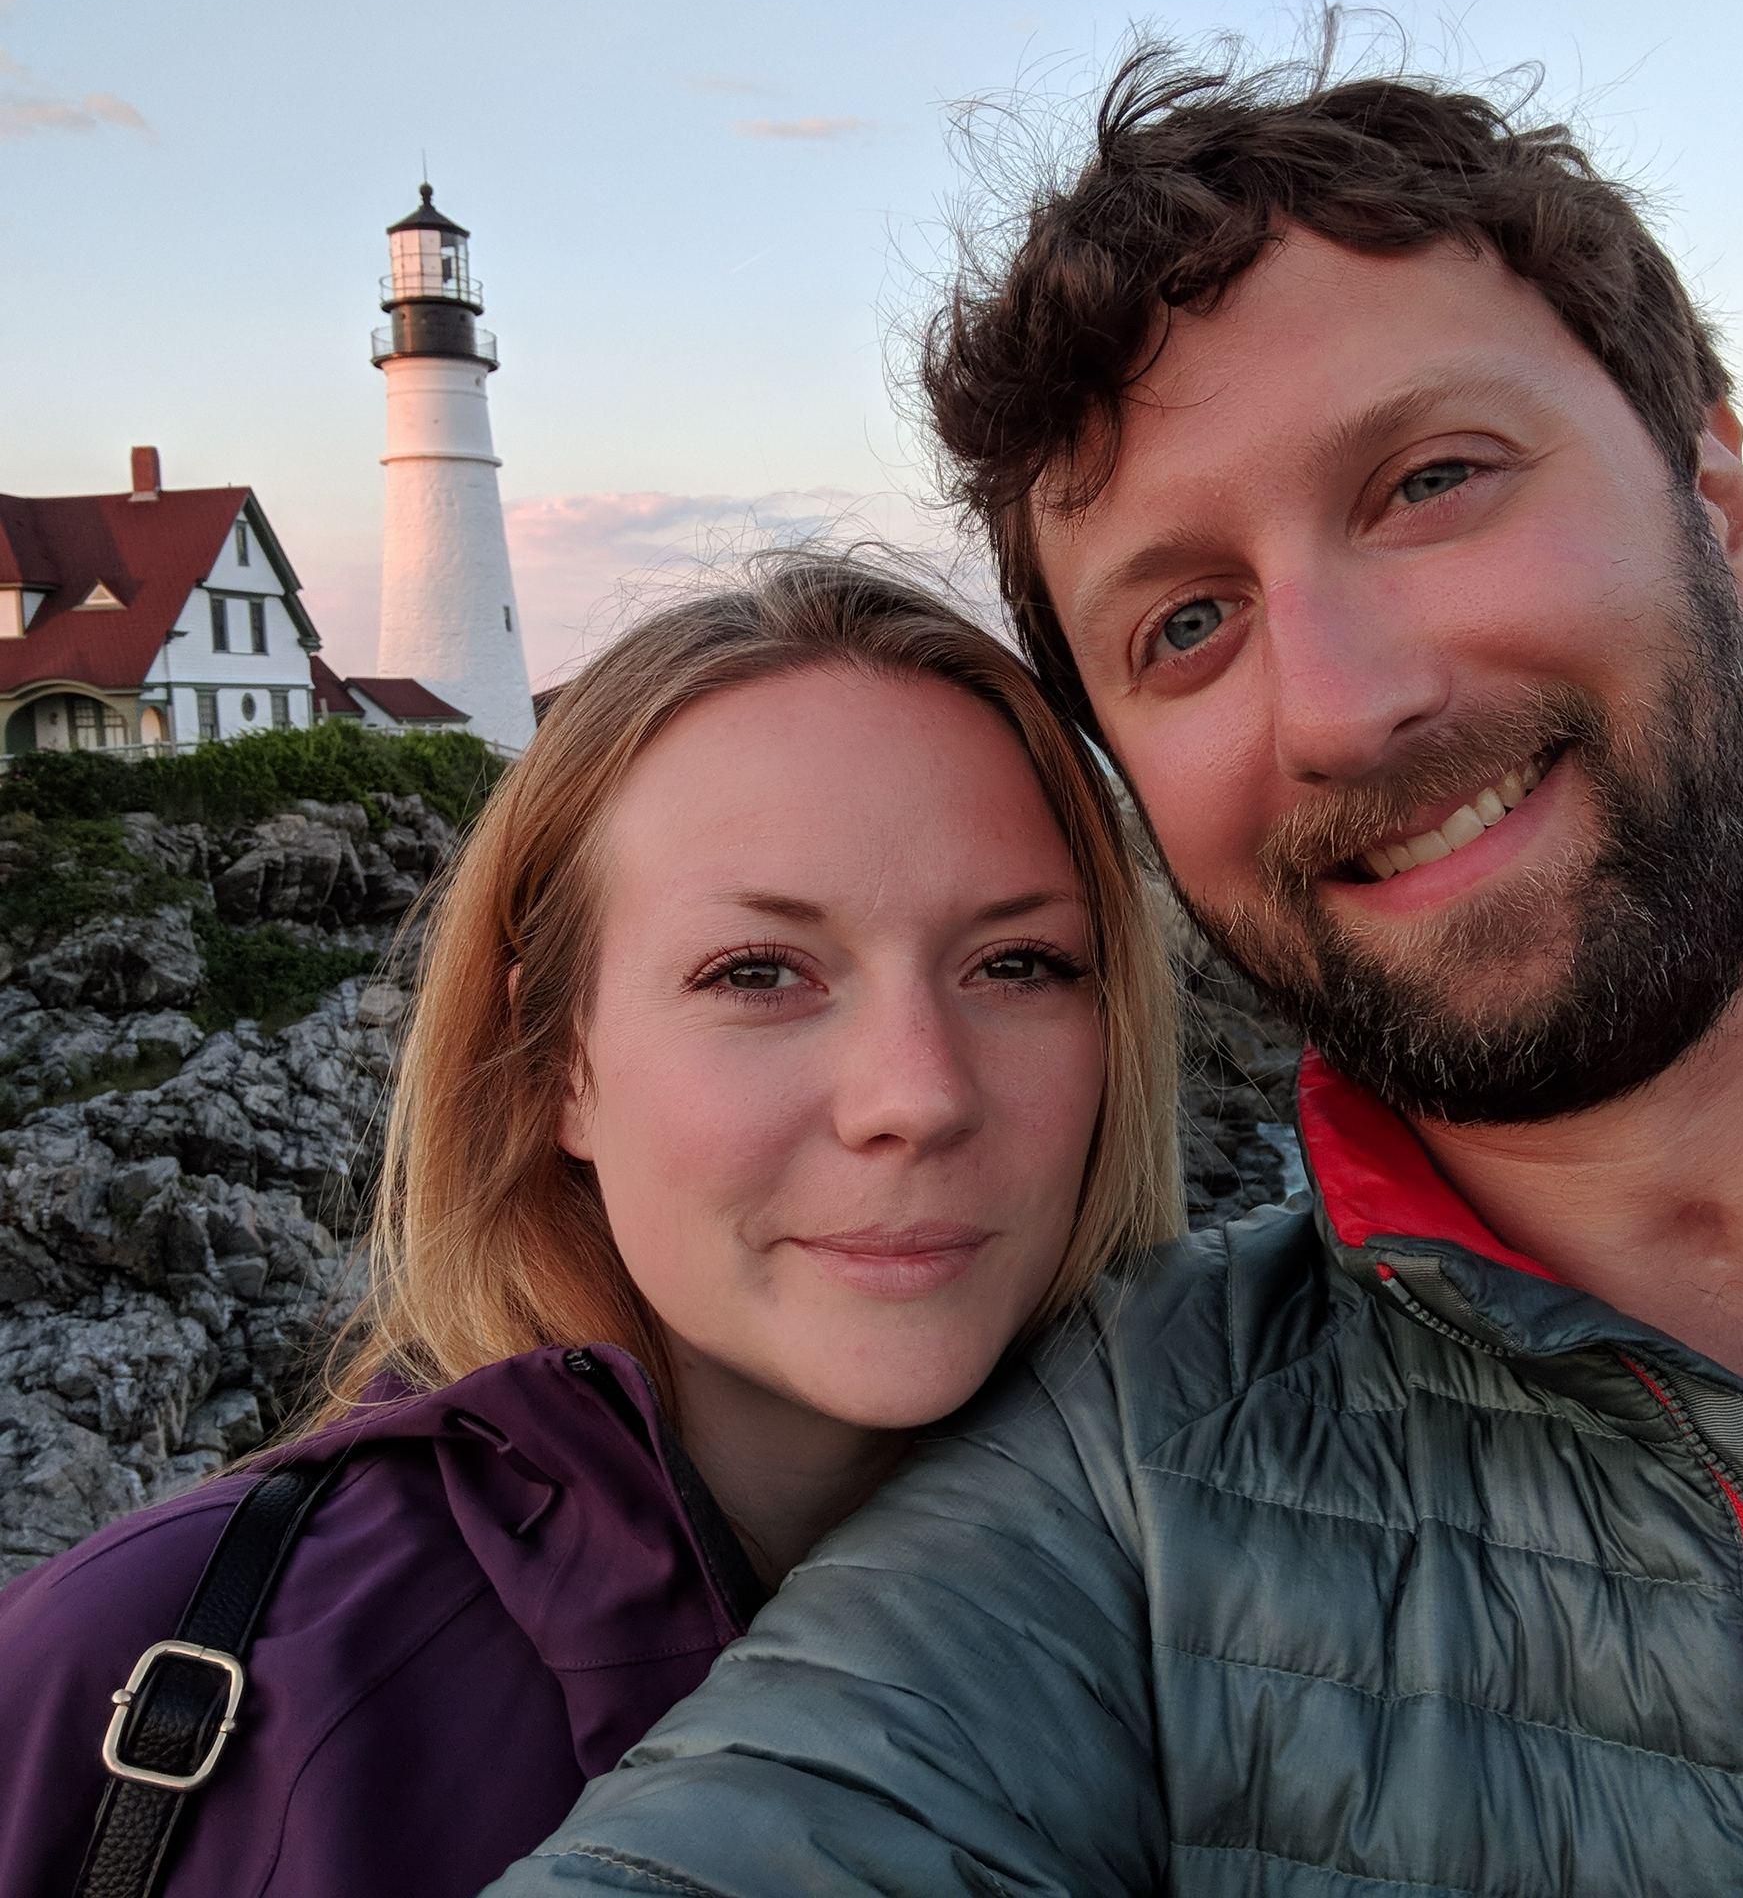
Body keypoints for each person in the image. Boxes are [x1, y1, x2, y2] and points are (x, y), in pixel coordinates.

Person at [486, 43, 1743, 1898]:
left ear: (1722, 505)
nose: (1345, 706)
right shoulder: (1121, 1490)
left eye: (1431, 480)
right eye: (1186, 623)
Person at [0, 549, 1181, 1898]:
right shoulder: (115, 1671)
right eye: (760, 972)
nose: (917, 1095)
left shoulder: (1267, 1626)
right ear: (556, 1058)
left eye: (1018, 964)